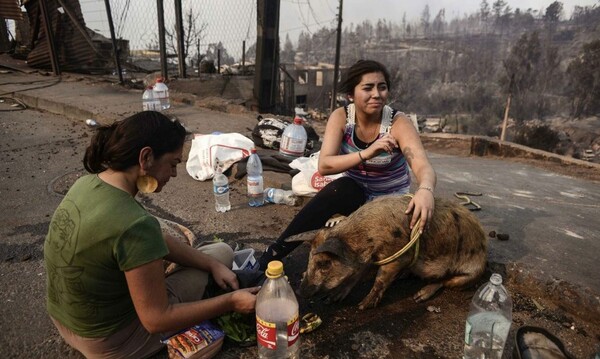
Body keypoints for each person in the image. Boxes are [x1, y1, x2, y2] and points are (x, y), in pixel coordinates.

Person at [44, 111, 259, 359]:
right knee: (210, 336)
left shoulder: (89, 184)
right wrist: (231, 302)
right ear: (146, 157)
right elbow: (156, 320)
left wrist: (211, 264)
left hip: (66, 322)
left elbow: (155, 236)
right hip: (109, 343)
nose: (174, 174)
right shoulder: (134, 224)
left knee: (218, 256)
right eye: (173, 163)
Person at [259, 60, 437, 269]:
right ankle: (272, 256)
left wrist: (425, 190)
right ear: (351, 94)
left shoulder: (398, 123)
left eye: (382, 87)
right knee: (338, 189)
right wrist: (367, 152)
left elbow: (423, 166)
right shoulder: (342, 117)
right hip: (356, 195)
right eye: (368, 88)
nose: (377, 94)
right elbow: (325, 165)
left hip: (389, 203)